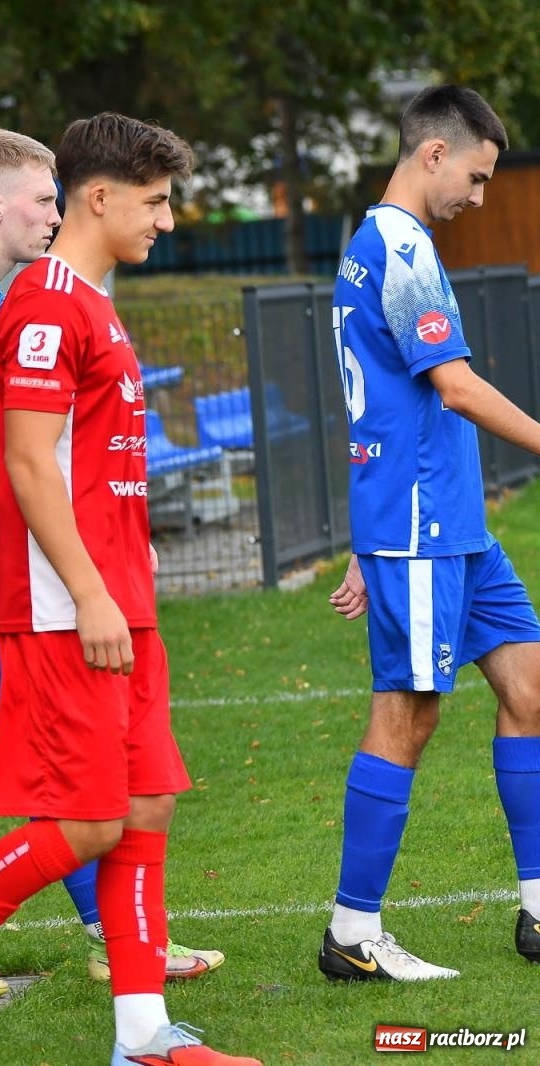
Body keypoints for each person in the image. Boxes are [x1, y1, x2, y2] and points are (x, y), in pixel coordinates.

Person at [0, 114, 259, 1066]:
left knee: (147, 803)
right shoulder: (43, 305)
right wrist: (86, 592)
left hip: (121, 596)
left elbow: (99, 467)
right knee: (86, 817)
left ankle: (144, 1034)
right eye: (156, 201)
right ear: (100, 197)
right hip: (60, 604)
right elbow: (30, 463)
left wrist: (126, 579)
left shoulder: (89, 298)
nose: (167, 220)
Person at [321, 85, 540, 980]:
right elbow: (451, 384)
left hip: (450, 525)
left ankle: (538, 910)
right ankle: (351, 931)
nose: (480, 198)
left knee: (529, 686)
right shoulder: (398, 244)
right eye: (479, 179)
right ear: (434, 153)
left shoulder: (383, 246)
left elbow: (384, 405)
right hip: (420, 525)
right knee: (408, 714)